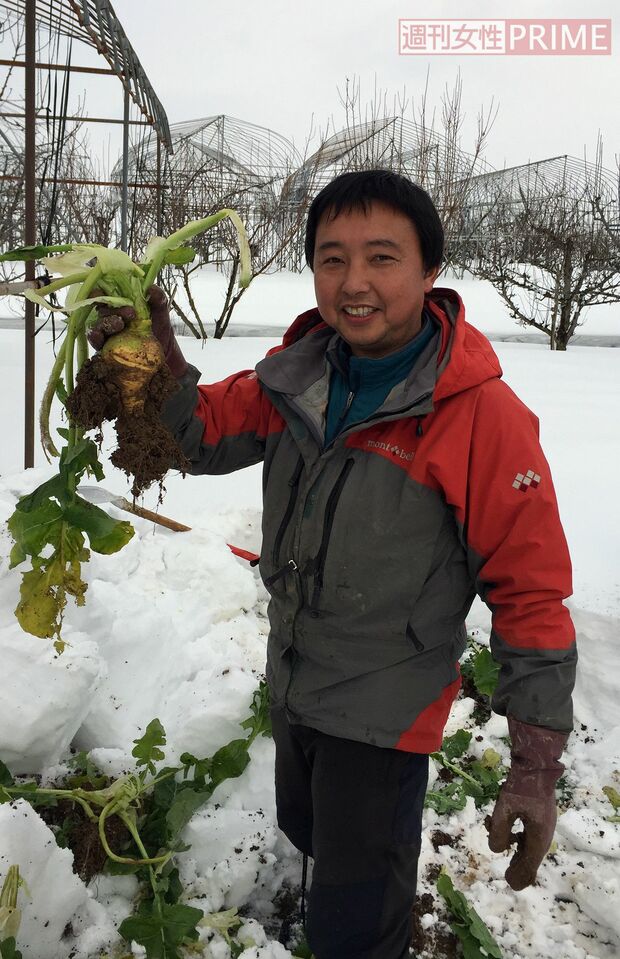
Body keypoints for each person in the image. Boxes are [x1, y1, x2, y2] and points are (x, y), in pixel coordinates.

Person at [90, 170, 577, 959]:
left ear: (429, 271)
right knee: (312, 832)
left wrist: (535, 764)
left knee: (360, 918)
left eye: (382, 257)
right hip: (295, 680)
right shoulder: (300, 375)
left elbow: (532, 593)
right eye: (331, 257)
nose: (354, 284)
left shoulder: (480, 416)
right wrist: (153, 363)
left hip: (385, 720)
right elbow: (201, 434)